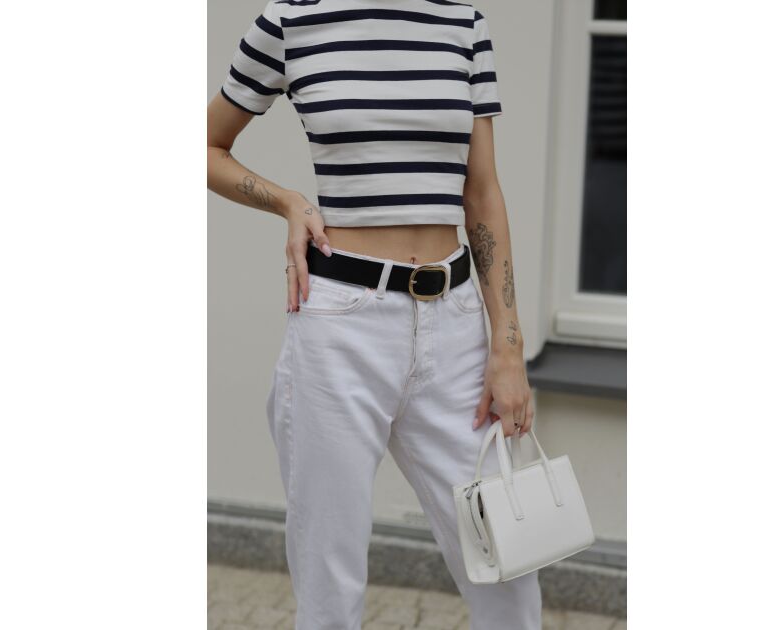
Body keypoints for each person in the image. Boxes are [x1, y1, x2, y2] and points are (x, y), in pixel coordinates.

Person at [206, 1, 539, 627]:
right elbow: (206, 146)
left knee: (508, 562)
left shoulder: (461, 24)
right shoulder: (291, 21)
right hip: (341, 326)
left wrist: (509, 345)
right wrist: (287, 202)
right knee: (329, 578)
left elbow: (482, 192)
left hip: (457, 323)